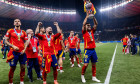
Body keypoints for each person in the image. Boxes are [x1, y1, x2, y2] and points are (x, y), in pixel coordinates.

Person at [5, 19, 30, 84]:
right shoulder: (10, 31)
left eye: (18, 21)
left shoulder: (24, 32)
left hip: (22, 52)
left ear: (20, 23)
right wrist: (13, 46)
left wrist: (24, 49)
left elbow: (27, 41)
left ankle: (21, 81)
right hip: (14, 52)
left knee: (23, 67)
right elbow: (6, 41)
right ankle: (10, 82)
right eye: (15, 21)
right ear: (14, 23)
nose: (17, 22)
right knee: (13, 67)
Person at [81, 12, 100, 83]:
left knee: (94, 64)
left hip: (93, 50)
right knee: (86, 64)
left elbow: (96, 24)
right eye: (87, 25)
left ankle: (94, 77)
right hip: (87, 50)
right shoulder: (84, 32)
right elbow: (83, 24)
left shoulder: (92, 31)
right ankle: (82, 76)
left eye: (89, 25)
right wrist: (86, 17)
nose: (89, 26)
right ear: (85, 27)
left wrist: (93, 17)